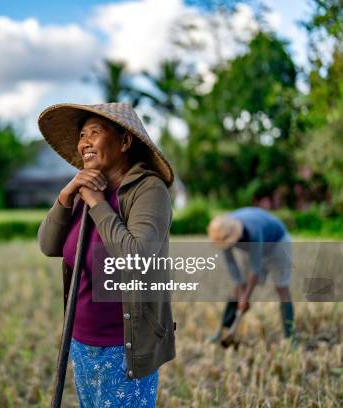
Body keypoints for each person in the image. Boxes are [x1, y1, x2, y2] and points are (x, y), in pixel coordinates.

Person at [38, 102, 176, 407]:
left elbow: (136, 259)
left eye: (95, 133)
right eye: (82, 134)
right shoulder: (83, 191)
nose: (84, 142)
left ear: (125, 141)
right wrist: (66, 196)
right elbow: (49, 245)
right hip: (81, 341)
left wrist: (98, 203)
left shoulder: (148, 190)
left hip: (124, 346)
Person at [207, 208, 295, 342]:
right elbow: (232, 265)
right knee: (237, 290)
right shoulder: (222, 232)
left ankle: (290, 337)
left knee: (282, 288)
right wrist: (241, 291)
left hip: (277, 242)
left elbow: (255, 269)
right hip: (255, 248)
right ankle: (223, 332)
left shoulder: (253, 231)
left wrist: (245, 297)